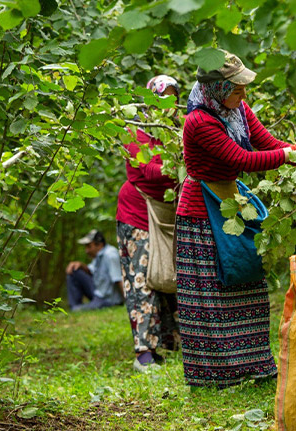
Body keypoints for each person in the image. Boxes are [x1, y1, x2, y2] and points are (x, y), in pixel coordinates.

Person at [175, 51, 296, 388]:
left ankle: (254, 365)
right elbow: (243, 158)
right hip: (202, 210)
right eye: (237, 88)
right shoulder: (198, 121)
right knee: (212, 292)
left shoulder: (237, 110)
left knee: (246, 278)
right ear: (216, 87)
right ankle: (216, 375)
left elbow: (268, 144)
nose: (244, 94)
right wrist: (289, 154)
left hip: (231, 202)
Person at [116, 75, 181, 371]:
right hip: (137, 214)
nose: (168, 104)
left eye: (173, 98)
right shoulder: (137, 132)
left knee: (168, 277)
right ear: (150, 100)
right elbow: (151, 171)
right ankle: (143, 354)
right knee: (142, 280)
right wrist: (181, 164)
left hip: (167, 216)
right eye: (161, 98)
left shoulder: (175, 131)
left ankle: (169, 344)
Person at [66, 229, 124, 311]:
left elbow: (118, 279)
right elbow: (91, 270)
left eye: (89, 246)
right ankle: (74, 306)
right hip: (98, 292)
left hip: (108, 300)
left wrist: (128, 303)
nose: (86, 251)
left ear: (99, 245)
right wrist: (80, 265)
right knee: (74, 271)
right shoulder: (99, 255)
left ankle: (76, 309)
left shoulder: (110, 255)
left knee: (77, 310)